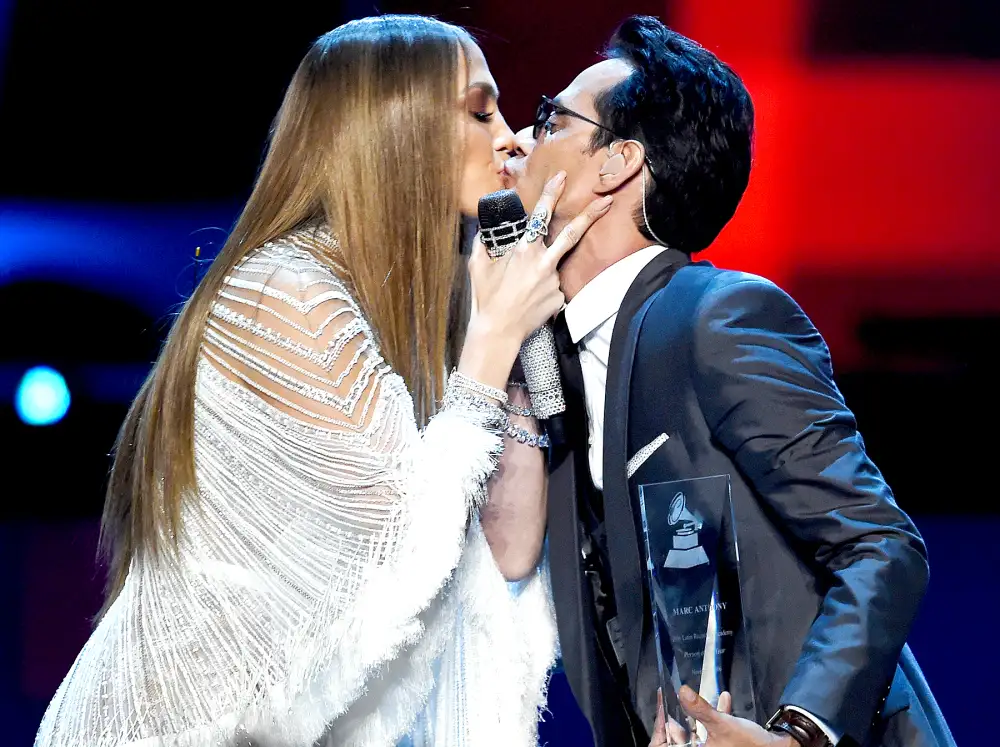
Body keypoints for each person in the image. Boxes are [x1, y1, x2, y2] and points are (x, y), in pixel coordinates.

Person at [32, 15, 613, 747]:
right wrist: (494, 338)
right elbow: (401, 548)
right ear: (394, 130)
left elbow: (507, 550)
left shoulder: (420, 311)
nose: (509, 138)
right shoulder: (285, 292)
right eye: (479, 112)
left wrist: (519, 331)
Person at [508, 15, 956, 747]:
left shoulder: (717, 318)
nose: (521, 142)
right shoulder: (543, 358)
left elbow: (880, 546)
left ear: (616, 163)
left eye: (551, 120)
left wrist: (797, 734)